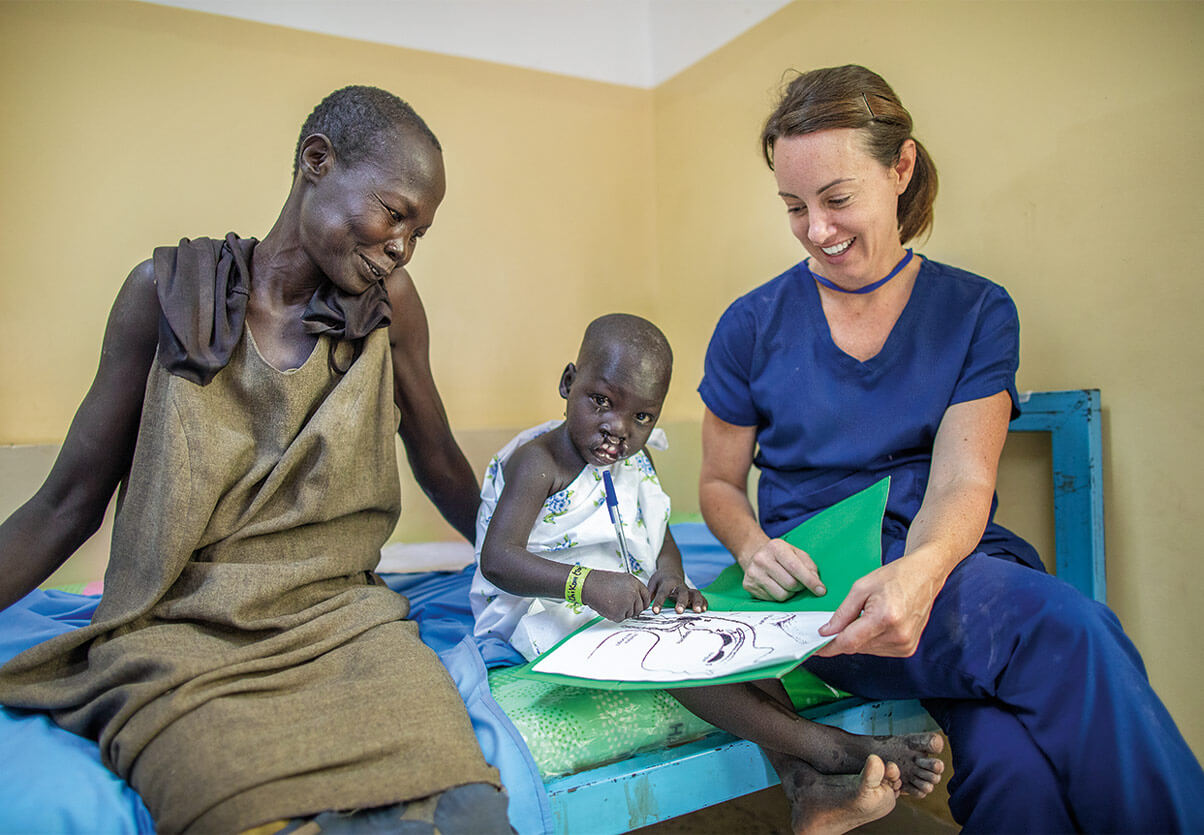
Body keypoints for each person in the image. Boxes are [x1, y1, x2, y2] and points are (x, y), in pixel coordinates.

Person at [698, 64, 1204, 832]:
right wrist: (752, 542)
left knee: (1013, 770)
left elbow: (965, 477)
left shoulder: (976, 310)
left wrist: (922, 574)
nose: (817, 229)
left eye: (837, 199)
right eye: (794, 207)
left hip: (953, 565)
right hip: (831, 596)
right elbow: (718, 483)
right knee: (1071, 632)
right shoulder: (750, 324)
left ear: (900, 167)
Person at [0, 86, 513, 834]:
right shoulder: (167, 297)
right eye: (394, 213)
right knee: (240, 807)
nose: (402, 246)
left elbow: (437, 457)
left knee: (468, 809)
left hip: (346, 626)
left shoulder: (389, 310)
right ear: (316, 161)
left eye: (419, 232)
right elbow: (67, 500)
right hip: (179, 637)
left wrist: (533, 568)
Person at [472, 313, 946, 835]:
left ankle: (802, 786)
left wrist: (670, 577)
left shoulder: (635, 463)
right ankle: (830, 748)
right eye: (601, 401)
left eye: (642, 417)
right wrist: (585, 583)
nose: (618, 429)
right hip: (545, 603)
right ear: (568, 384)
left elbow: (660, 537)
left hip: (620, 599)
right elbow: (499, 561)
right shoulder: (537, 463)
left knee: (723, 634)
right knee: (671, 658)